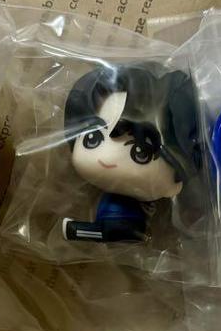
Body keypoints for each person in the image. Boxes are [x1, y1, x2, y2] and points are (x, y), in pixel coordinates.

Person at [62, 64, 199, 243]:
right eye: (93, 138)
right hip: (124, 218)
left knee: (117, 229)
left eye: (140, 152)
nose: (109, 157)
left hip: (127, 221)